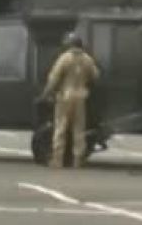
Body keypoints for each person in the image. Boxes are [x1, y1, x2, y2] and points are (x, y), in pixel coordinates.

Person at [40, 32, 100, 168]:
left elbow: (54, 78)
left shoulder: (65, 58)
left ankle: (57, 159)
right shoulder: (87, 59)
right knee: (79, 128)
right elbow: (96, 76)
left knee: (61, 126)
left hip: (65, 96)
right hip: (81, 97)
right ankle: (78, 159)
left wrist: (45, 93)